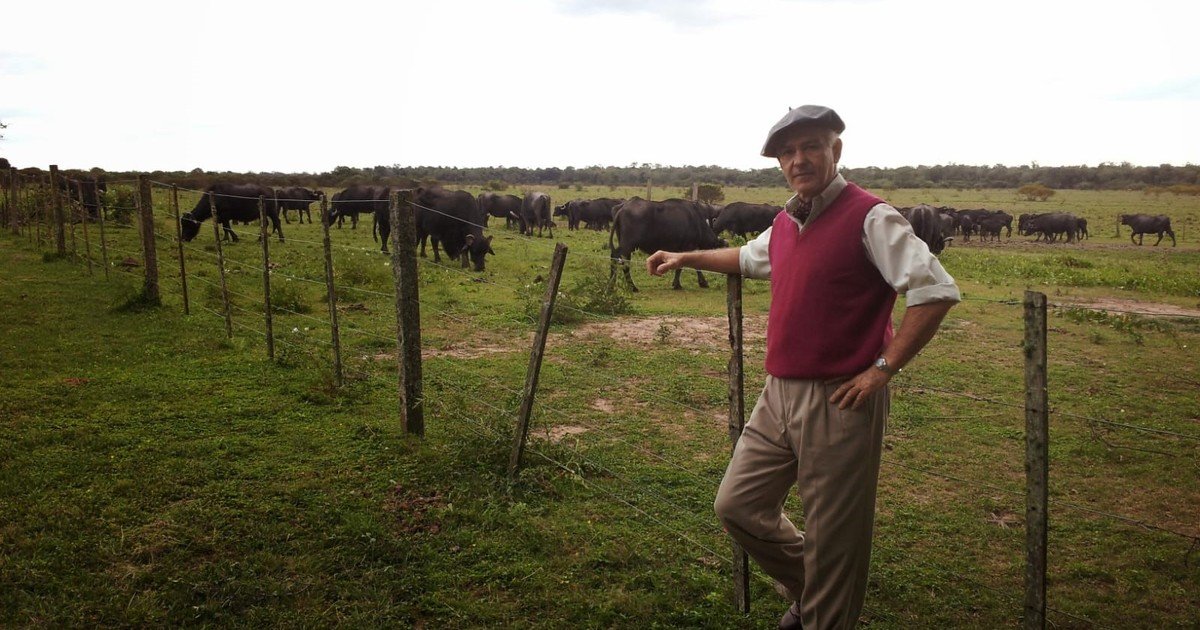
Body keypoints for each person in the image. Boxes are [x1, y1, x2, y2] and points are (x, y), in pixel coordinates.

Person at [645, 105, 960, 629]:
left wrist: (884, 368)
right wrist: (686, 257)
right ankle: (815, 592)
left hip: (841, 397)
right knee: (738, 506)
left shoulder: (871, 217)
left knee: (836, 537)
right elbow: (750, 258)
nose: (798, 159)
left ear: (836, 149)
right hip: (778, 394)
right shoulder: (787, 221)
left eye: (810, 145)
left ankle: (824, 612)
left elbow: (935, 290)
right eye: (787, 152)